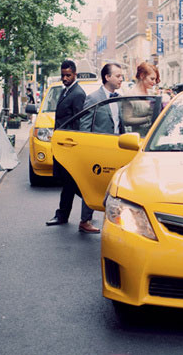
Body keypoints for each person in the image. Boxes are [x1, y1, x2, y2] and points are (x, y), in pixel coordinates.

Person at [46, 60, 100, 234]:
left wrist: (74, 145)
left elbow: (79, 121)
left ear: (75, 74)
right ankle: (65, 214)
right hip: (62, 143)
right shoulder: (65, 91)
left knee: (71, 182)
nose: (64, 78)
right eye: (62, 75)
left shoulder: (77, 94)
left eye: (68, 75)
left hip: (69, 145)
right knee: (67, 182)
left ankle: (90, 205)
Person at [80, 62, 125, 135]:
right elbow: (85, 127)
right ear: (107, 77)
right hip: (100, 143)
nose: (121, 79)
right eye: (118, 76)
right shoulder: (93, 98)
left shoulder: (119, 98)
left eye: (122, 76)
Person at [122, 62, 160, 135]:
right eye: (152, 79)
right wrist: (148, 119)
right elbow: (126, 119)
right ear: (142, 76)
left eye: (155, 80)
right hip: (137, 138)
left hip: (153, 137)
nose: (154, 82)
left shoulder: (152, 93)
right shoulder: (130, 95)